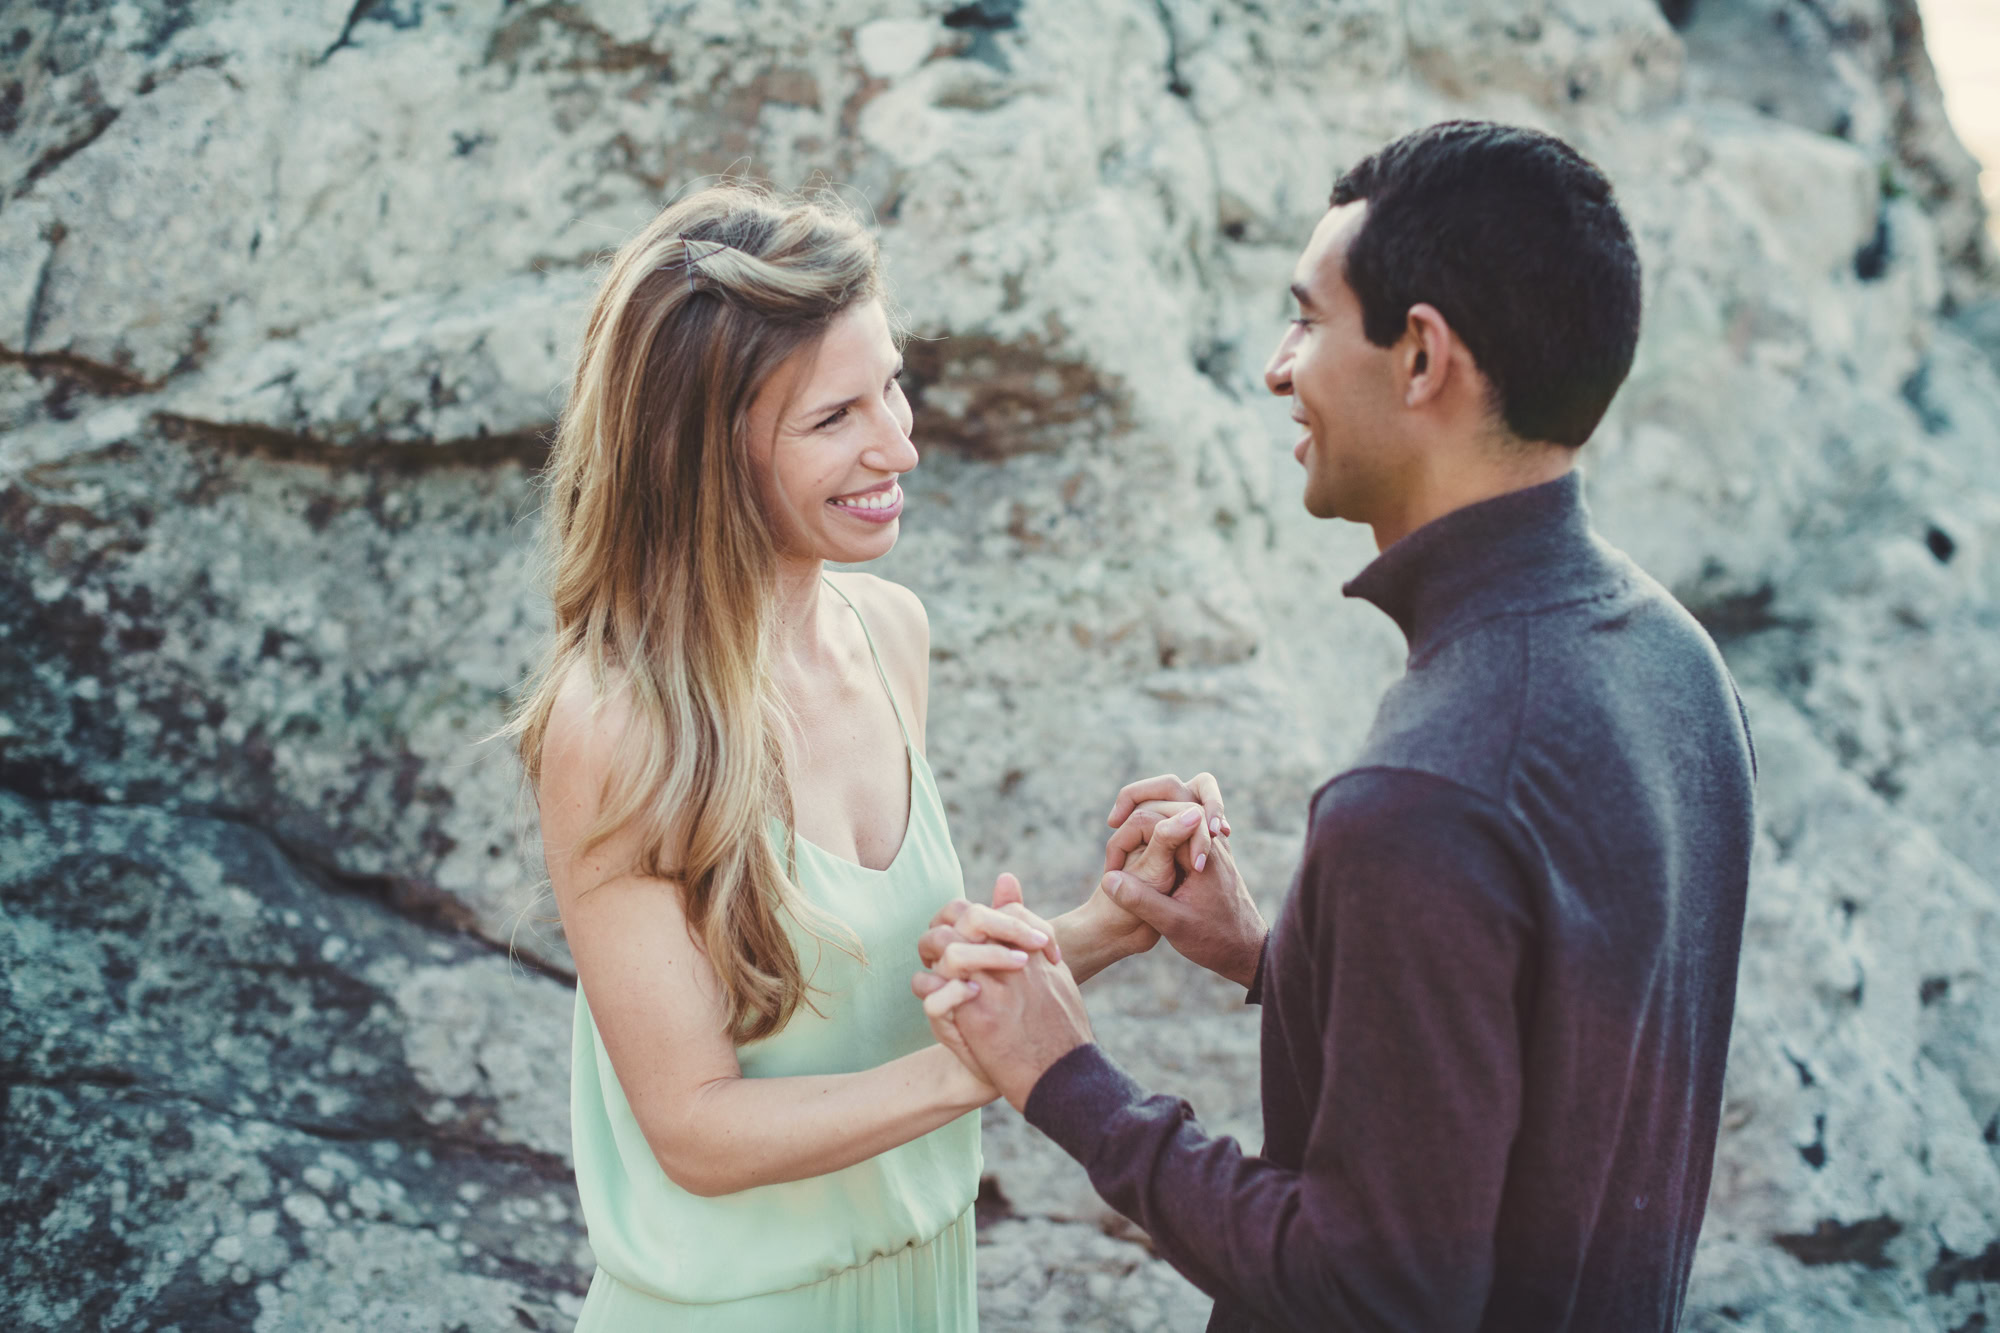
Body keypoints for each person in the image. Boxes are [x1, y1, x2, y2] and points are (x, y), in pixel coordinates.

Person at [916, 120, 1759, 1331]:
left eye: (1306, 319)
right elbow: (1551, 1076)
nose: (1275, 368)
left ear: (1421, 358)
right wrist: (1286, 961)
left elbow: (1371, 1287)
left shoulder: (1423, 793)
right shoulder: (1672, 660)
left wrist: (1065, 1078)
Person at [508, 182, 1221, 1329]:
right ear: (703, 450)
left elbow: (872, 1017)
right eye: (834, 418)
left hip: (926, 1287)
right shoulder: (617, 722)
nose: (900, 444)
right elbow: (693, 1127)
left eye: (890, 383)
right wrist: (998, 1066)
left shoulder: (891, 633)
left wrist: (1105, 922)